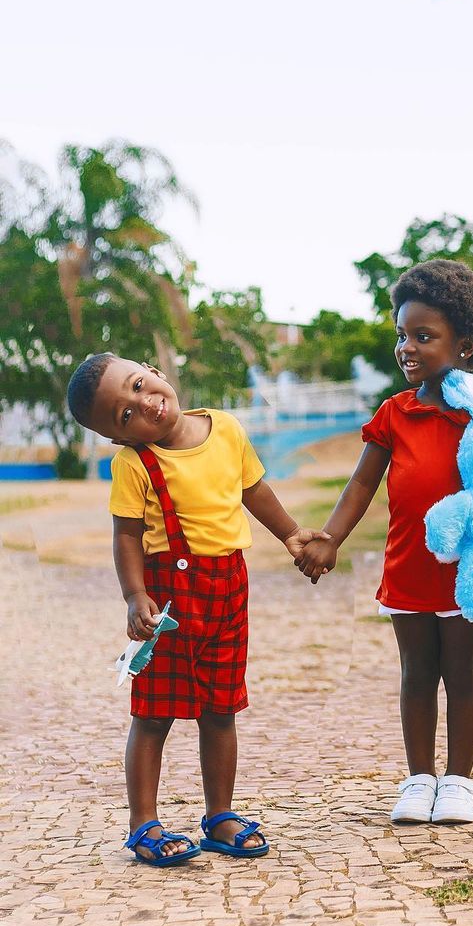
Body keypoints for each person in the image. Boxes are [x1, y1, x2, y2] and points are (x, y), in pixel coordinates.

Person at [66, 354, 327, 866]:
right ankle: (143, 823)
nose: (144, 404)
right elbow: (126, 535)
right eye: (125, 415)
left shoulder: (225, 429)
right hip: (167, 602)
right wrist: (134, 595)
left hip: (228, 590)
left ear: (153, 370)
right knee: (153, 713)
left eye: (139, 385)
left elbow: (254, 491)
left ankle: (220, 816)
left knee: (221, 709)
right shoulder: (134, 465)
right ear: (118, 438)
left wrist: (292, 534)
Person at [296, 260, 473, 826]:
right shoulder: (394, 413)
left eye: (423, 336)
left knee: (463, 673)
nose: (406, 347)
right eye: (401, 334)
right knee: (416, 674)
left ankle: (458, 781)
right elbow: (362, 482)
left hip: (467, 570)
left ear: (465, 346)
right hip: (408, 566)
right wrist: (330, 538)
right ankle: (419, 778)